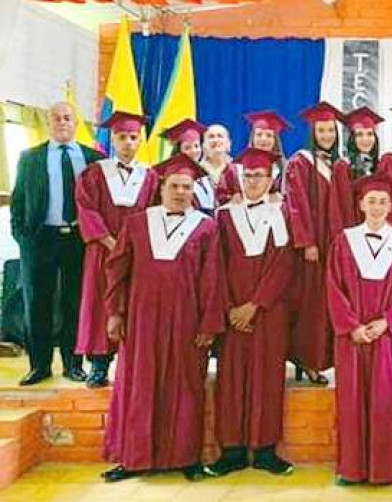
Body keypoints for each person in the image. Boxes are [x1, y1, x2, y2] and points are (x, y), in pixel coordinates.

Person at [101, 153, 224, 483]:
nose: (181, 192)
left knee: (186, 388)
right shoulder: (138, 223)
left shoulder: (206, 227)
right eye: (175, 186)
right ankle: (133, 458)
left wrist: (209, 325)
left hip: (186, 321)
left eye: (187, 186)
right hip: (142, 320)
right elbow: (117, 270)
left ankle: (186, 458)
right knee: (138, 386)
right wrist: (115, 313)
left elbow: (213, 278)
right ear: (162, 188)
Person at [207, 148, 295, 477]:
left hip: (269, 312)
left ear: (272, 179)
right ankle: (230, 450)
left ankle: (264, 449)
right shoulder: (224, 215)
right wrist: (231, 308)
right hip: (233, 314)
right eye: (247, 176)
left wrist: (255, 304)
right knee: (230, 380)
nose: (252, 181)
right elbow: (217, 264)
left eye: (259, 176)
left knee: (268, 378)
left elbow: (284, 264)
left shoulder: (282, 213)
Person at [326, 174, 392, 486]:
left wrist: (388, 321)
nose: (376, 206)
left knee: (384, 400)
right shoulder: (343, 240)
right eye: (371, 201)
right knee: (350, 401)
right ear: (360, 204)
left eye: (382, 201)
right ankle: (350, 468)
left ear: (391, 206)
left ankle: (382, 468)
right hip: (352, 337)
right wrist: (351, 326)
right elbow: (333, 288)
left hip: (386, 336)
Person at [11, 101, 105, 386]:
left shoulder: (92, 158)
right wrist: (23, 236)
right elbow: (18, 200)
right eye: (56, 118)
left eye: (67, 118)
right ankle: (39, 365)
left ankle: (73, 364)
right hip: (40, 240)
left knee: (74, 302)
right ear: (48, 123)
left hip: (78, 240)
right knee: (37, 302)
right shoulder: (31, 157)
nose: (62, 122)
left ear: (76, 123)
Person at [75, 111, 158, 389]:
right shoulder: (96, 173)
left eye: (133, 137)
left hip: (138, 254)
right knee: (101, 304)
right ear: (113, 139)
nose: (127, 142)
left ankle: (131, 366)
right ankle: (99, 365)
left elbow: (154, 212)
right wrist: (110, 242)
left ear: (140, 140)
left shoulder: (151, 177)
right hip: (103, 251)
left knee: (134, 305)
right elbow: (87, 209)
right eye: (122, 137)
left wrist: (136, 246)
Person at [285, 101, 354, 385]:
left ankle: (325, 359)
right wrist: (307, 241)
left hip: (334, 244)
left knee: (330, 303)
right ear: (313, 132)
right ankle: (308, 359)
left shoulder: (338, 164)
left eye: (330, 130)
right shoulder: (300, 161)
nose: (326, 135)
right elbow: (295, 203)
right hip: (313, 247)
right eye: (321, 130)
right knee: (311, 305)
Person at [217, 111, 290, 205]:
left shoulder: (285, 169)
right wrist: (232, 199)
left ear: (275, 140)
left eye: (269, 135)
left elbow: (293, 200)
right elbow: (221, 197)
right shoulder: (234, 169)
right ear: (253, 138)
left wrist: (281, 199)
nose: (263, 139)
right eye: (259, 135)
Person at [194, 124, 232, 213]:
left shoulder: (238, 170)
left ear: (228, 144)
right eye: (211, 137)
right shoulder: (196, 172)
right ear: (203, 145)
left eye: (220, 136)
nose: (216, 140)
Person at [343, 106, 384, 181]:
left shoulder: (382, 167)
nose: (365, 139)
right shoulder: (344, 168)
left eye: (370, 134)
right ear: (352, 139)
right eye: (359, 134)